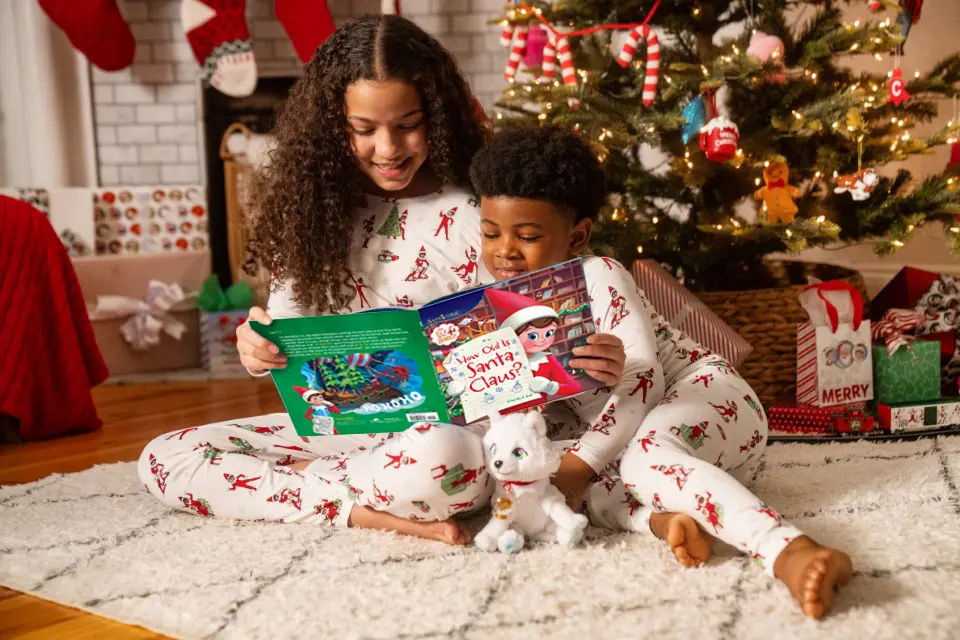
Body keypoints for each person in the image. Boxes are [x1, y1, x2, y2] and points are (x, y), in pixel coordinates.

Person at [137, 15, 624, 546]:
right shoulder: (313, 208)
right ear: (333, 126)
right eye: (364, 130)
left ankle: (323, 488)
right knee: (165, 457)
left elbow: (545, 327)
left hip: (460, 442)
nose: (388, 149)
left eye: (408, 124)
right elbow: (288, 337)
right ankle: (368, 513)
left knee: (441, 461)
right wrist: (258, 348)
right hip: (345, 432)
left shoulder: (482, 211)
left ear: (437, 114)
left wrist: (589, 357)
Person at [468, 124, 852, 620]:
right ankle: (663, 521)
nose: (504, 250)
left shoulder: (599, 274)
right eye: (491, 233)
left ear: (577, 235)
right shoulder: (489, 303)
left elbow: (644, 380)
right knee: (554, 482)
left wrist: (580, 462)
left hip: (706, 395)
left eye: (527, 236)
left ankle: (789, 549)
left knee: (633, 463)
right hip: (624, 436)